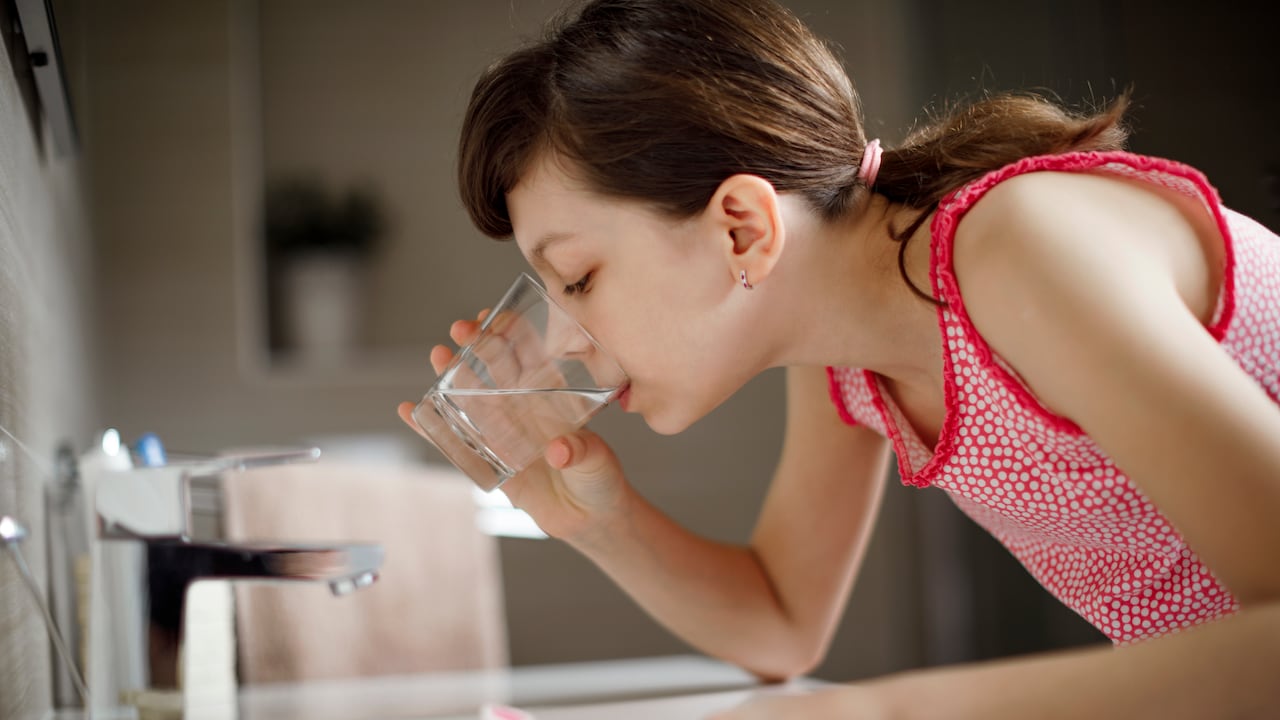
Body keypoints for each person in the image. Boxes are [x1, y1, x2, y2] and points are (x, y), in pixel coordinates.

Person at [397, 0, 1280, 716]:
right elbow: (783, 625)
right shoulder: (843, 356)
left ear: (742, 228)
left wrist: (888, 711)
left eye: (578, 279)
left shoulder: (1025, 249)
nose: (560, 339)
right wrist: (598, 520)